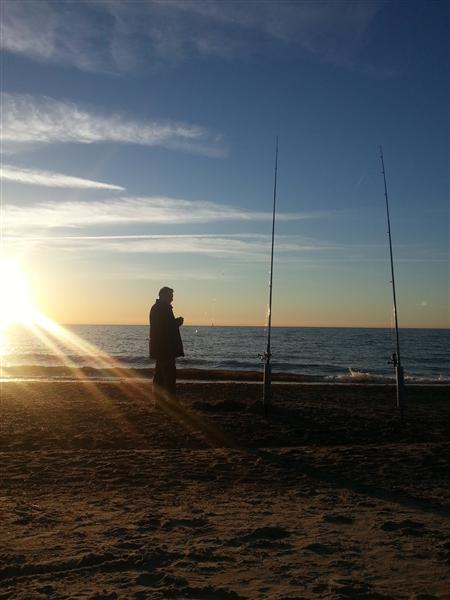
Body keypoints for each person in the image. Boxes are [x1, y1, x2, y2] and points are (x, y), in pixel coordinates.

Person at [149, 286, 184, 401]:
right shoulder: (163, 308)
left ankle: (159, 401)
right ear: (164, 295)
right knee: (169, 375)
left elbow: (164, 326)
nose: (172, 298)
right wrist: (178, 322)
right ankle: (170, 400)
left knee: (160, 375)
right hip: (165, 347)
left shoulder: (158, 307)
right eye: (171, 296)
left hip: (160, 346)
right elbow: (166, 327)